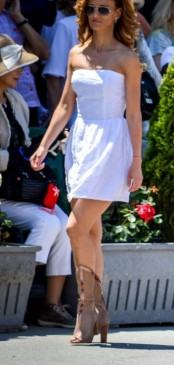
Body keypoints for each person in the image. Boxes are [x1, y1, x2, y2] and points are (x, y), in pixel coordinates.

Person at [30, 0, 143, 344]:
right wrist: (44, 145)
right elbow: (65, 105)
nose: (96, 15)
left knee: (74, 227)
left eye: (104, 9)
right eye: (91, 8)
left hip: (112, 144)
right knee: (91, 233)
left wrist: (136, 160)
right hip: (80, 143)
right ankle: (101, 311)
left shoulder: (128, 58)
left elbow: (134, 114)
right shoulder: (76, 53)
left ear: (118, 13)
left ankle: (86, 307)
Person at [0, 34, 75, 329]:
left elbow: (25, 144)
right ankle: (13, 297)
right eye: (15, 66)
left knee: (64, 222)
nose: (22, 71)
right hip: (3, 194)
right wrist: (14, 159)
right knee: (48, 224)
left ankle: (50, 307)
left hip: (19, 190)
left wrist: (41, 150)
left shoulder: (15, 100)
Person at [0, 0, 50, 126]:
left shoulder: (12, 16)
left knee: (27, 143)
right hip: (3, 101)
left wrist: (18, 17)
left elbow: (44, 53)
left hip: (27, 101)